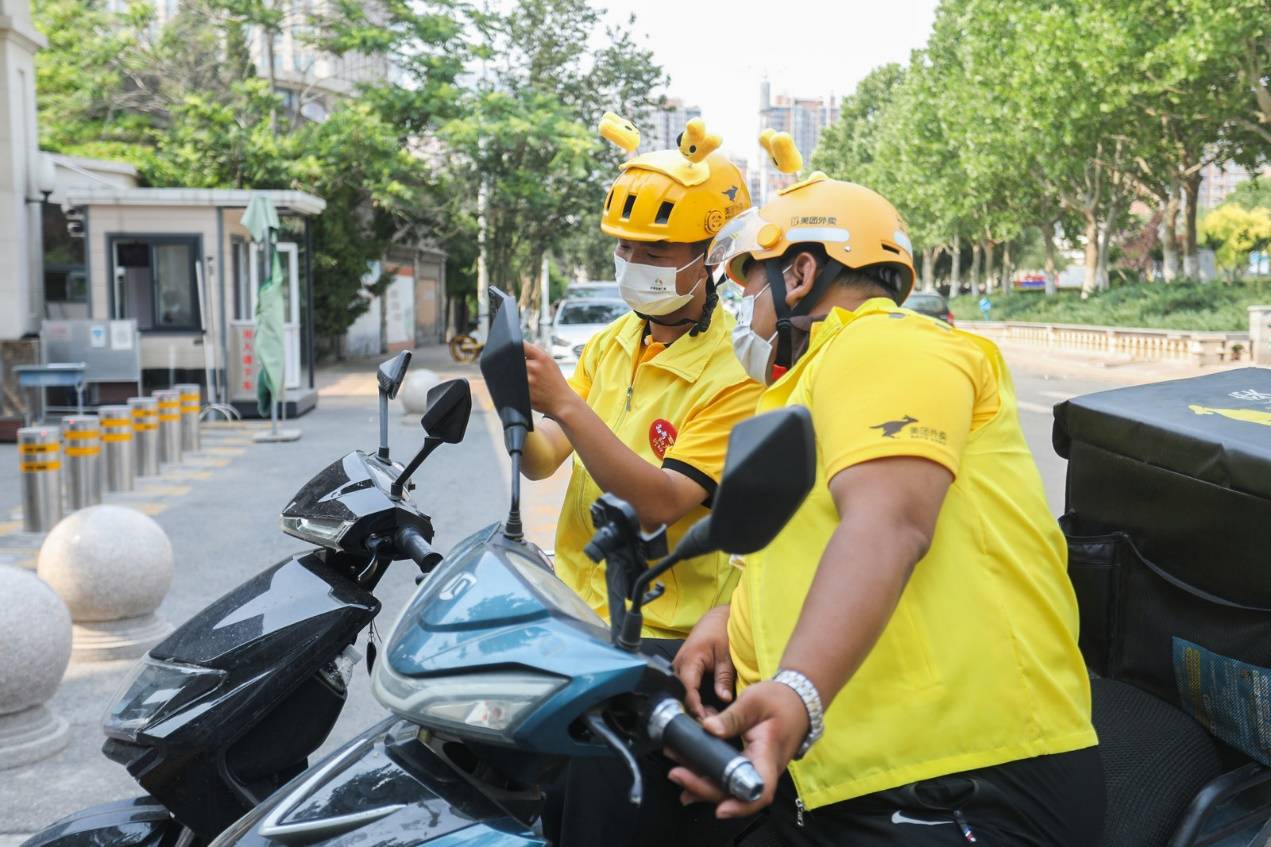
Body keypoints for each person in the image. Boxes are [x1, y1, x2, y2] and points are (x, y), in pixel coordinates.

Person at [666, 172, 1104, 845]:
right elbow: (818, 539)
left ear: (801, 272)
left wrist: (796, 691)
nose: (741, 308)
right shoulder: (807, 385)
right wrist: (738, 616)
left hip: (964, 776)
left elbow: (888, 522)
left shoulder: (884, 343)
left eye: (750, 282)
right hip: (858, 776)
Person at [525, 118, 763, 846]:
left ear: (713, 257)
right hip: (579, 620)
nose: (634, 263)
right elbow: (545, 457)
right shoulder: (613, 341)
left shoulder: (737, 370)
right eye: (625, 247)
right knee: (551, 807)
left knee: (613, 822)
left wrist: (562, 398)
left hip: (666, 640)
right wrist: (514, 403)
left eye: (657, 249)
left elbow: (661, 503)